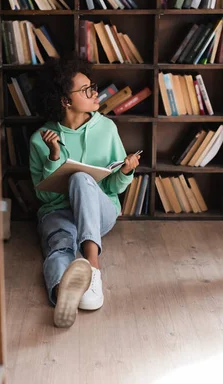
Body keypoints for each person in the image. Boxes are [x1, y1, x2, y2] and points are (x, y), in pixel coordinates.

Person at [29, 56, 140, 328]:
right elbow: (44, 197)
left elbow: (111, 187)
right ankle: (61, 295)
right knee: (59, 246)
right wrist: (54, 156)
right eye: (86, 90)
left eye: (93, 86)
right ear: (65, 101)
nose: (95, 94)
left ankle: (93, 268)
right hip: (59, 214)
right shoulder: (40, 139)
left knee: (80, 178)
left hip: (99, 214)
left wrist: (125, 172)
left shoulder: (106, 128)